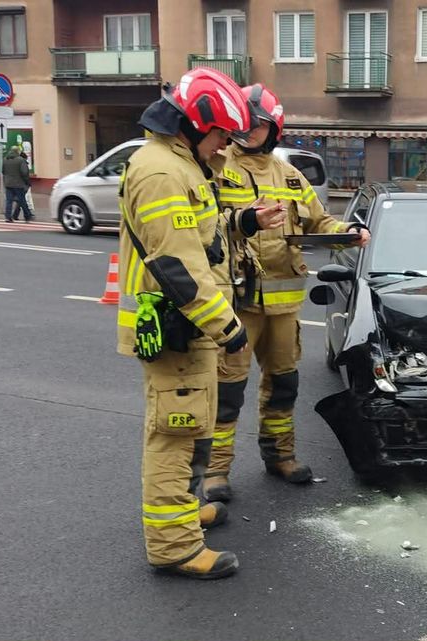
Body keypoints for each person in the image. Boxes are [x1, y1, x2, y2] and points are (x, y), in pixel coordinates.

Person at [115, 67, 283, 581]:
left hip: (191, 328)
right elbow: (177, 267)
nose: (223, 147)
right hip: (179, 328)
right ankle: (173, 547)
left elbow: (202, 238)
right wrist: (227, 328)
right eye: (220, 136)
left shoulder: (182, 164)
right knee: (175, 434)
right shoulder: (163, 170)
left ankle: (186, 516)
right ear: (195, 123)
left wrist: (246, 221)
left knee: (194, 433)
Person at [202, 84, 370, 503]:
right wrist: (247, 220)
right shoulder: (218, 168)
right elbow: (205, 225)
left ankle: (280, 456)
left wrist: (347, 233)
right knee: (227, 393)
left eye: (255, 125)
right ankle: (215, 472)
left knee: (283, 386)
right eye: (242, 124)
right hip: (237, 303)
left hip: (283, 308)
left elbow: (318, 223)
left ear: (273, 127)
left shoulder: (289, 175)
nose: (245, 131)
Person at [2, 146, 33, 222]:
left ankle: (8, 217)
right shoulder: (21, 160)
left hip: (8, 184)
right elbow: (24, 172)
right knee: (22, 201)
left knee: (9, 201)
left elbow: (3, 171)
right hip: (18, 184)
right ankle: (27, 216)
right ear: (18, 152)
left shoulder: (5, 159)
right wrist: (27, 182)